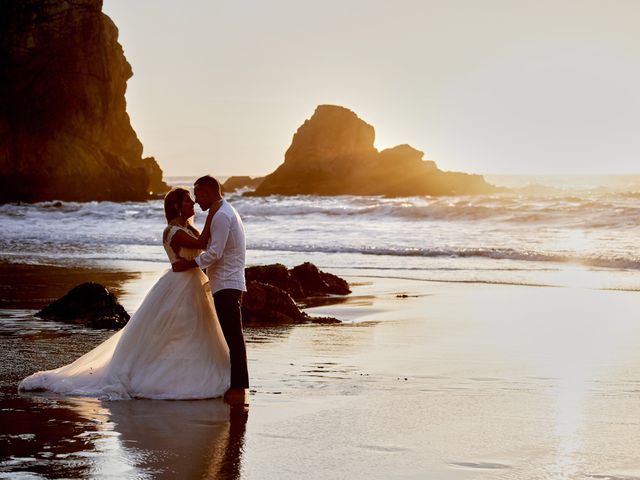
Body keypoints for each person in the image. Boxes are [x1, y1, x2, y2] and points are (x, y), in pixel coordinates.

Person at [19, 188, 231, 399]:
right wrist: (213, 211)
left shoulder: (190, 229)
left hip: (193, 283)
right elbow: (203, 244)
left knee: (195, 332)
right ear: (176, 206)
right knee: (177, 330)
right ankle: (167, 376)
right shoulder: (173, 231)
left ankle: (194, 373)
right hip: (178, 285)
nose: (192, 203)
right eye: (187, 200)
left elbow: (207, 245)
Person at [172, 175, 249, 402]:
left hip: (227, 283)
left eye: (198, 194)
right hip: (227, 281)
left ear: (207, 192)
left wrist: (189, 264)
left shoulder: (222, 216)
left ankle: (238, 388)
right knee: (231, 336)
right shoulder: (223, 212)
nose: (196, 201)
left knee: (233, 336)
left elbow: (215, 253)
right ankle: (234, 384)